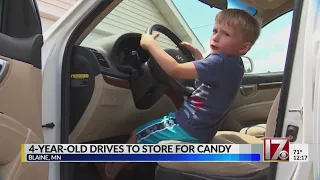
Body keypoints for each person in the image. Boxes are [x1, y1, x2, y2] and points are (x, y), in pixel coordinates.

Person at [95, 8, 262, 180]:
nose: (216, 37)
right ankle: (129, 162)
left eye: (226, 34)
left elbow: (175, 70)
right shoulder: (234, 64)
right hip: (201, 129)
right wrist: (198, 56)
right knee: (154, 128)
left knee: (139, 134)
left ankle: (111, 170)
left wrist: (150, 45)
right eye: (215, 30)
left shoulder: (219, 62)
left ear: (244, 47)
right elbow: (208, 81)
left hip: (188, 127)